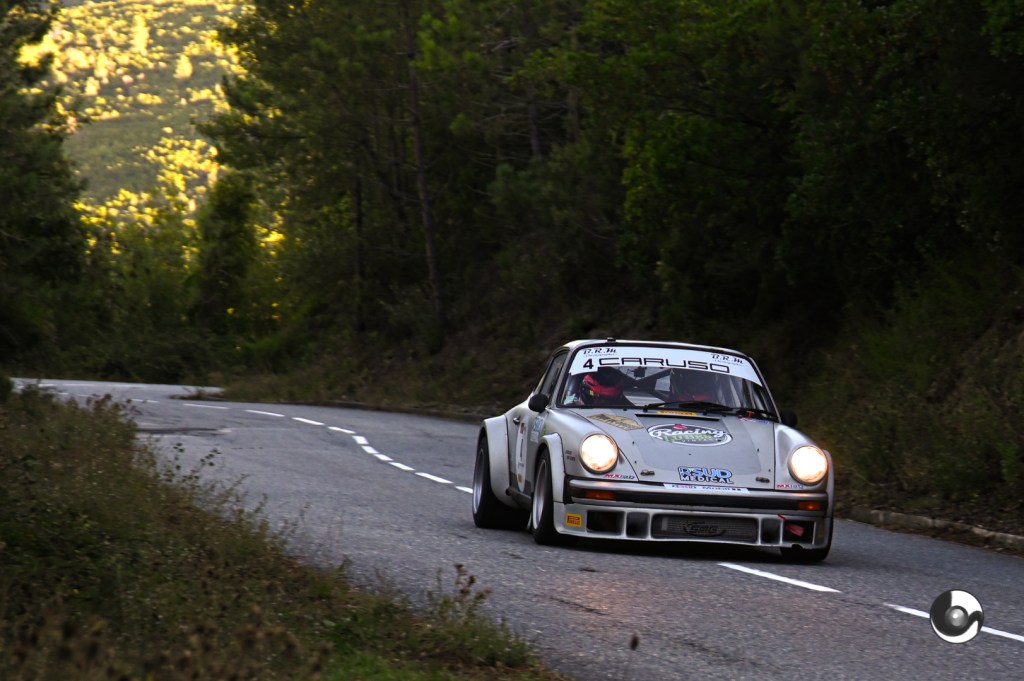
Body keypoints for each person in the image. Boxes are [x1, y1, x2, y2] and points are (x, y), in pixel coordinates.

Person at [565, 367, 630, 406]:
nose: (602, 402)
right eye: (597, 397)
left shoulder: (627, 407)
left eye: (609, 399)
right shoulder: (569, 406)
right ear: (586, 394)